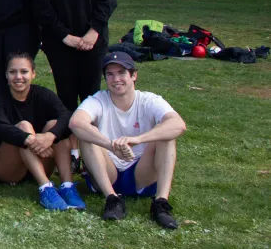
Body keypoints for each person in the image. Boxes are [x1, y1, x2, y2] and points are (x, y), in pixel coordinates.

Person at [69, 52, 185, 229]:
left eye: (121, 73)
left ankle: (161, 203)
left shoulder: (148, 100)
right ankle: (112, 199)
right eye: (110, 74)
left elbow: (178, 124)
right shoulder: (98, 99)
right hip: (108, 172)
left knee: (166, 136)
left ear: (134, 75)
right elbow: (76, 123)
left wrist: (138, 139)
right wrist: (110, 145)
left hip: (141, 173)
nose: (116, 79)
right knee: (86, 135)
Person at [0, 53, 85, 211]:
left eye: (24, 71)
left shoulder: (43, 94)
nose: (18, 77)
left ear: (33, 73)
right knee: (24, 126)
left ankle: (67, 186)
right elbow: (1, 128)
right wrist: (33, 140)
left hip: (39, 160)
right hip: (7, 167)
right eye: (13, 72)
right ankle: (45, 188)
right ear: (6, 74)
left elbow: (67, 117)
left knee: (55, 125)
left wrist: (50, 136)